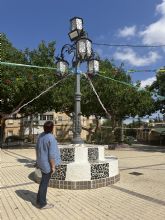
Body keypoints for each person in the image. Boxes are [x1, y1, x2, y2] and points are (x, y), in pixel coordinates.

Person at [36, 121, 61, 209]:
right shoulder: (51, 138)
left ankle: (39, 200)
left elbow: (37, 149)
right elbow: (51, 155)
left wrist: (37, 162)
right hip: (47, 165)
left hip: (41, 162)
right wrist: (53, 167)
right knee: (44, 184)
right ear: (52, 128)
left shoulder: (40, 136)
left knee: (43, 182)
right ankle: (42, 204)